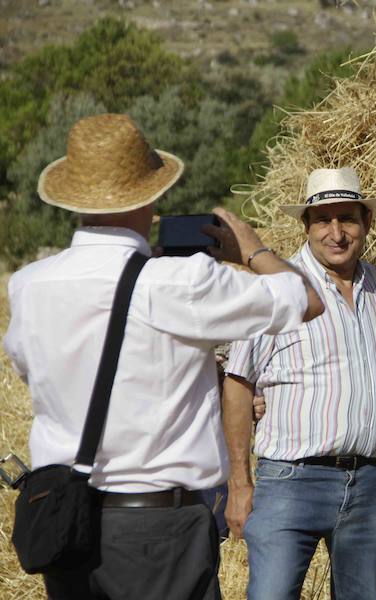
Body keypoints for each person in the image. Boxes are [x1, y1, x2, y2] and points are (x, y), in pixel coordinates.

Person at [2, 113, 324, 600]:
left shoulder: (28, 284)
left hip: (65, 520)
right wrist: (252, 249)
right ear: (152, 197)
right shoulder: (180, 282)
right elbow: (307, 298)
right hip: (160, 528)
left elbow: (36, 374)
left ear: (73, 199)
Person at [223, 167, 376, 600]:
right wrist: (240, 484)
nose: (336, 233)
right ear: (306, 226)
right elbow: (239, 383)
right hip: (291, 481)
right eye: (323, 220)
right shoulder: (277, 289)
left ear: (366, 223)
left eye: (348, 219)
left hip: (371, 483)